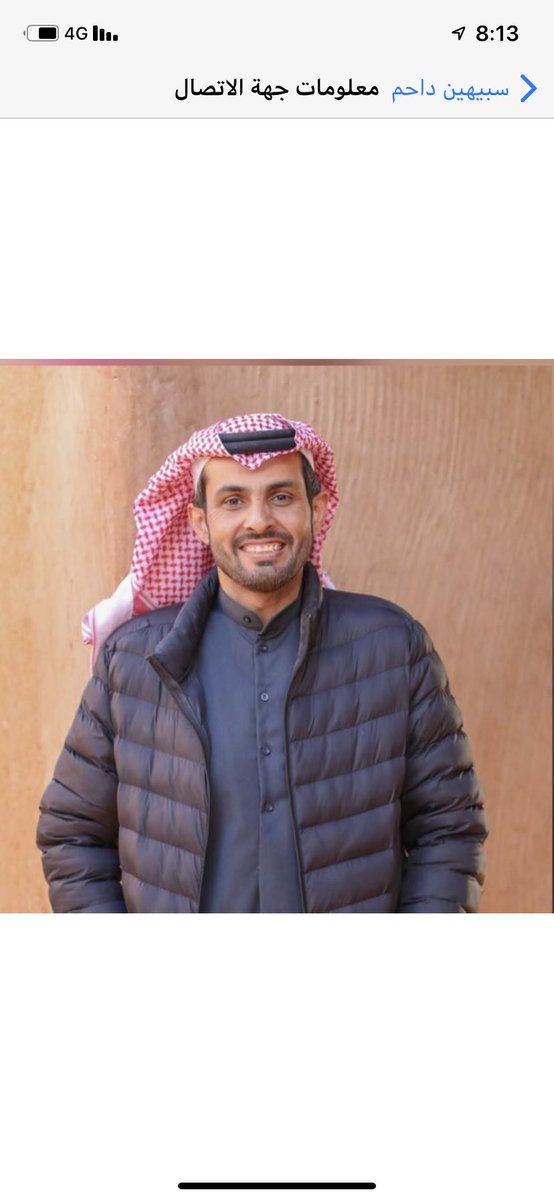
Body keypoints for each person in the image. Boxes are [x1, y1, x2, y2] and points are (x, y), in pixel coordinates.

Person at [37, 412, 487, 913]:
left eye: (281, 496)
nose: (258, 520)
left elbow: (449, 830)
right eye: (233, 501)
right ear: (199, 522)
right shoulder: (133, 663)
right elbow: (72, 833)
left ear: (316, 509)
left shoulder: (392, 648)